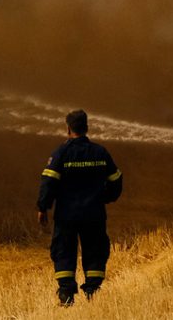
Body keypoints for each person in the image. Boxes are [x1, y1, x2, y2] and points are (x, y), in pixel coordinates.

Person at [37, 109, 123, 306]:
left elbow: (48, 182)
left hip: (67, 215)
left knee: (64, 250)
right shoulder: (100, 152)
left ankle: (66, 294)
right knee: (95, 250)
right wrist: (106, 197)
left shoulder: (61, 153)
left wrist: (43, 207)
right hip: (94, 213)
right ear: (87, 127)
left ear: (68, 128)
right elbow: (116, 179)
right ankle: (93, 291)